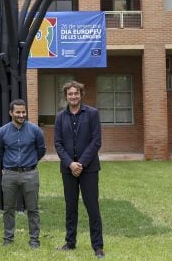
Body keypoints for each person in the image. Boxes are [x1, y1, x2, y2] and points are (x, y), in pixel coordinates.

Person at [54, 81, 104, 259]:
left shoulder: (92, 114)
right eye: (70, 94)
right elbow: (58, 143)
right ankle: (70, 242)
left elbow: (96, 141)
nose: (73, 96)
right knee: (70, 207)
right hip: (68, 170)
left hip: (89, 169)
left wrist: (80, 163)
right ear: (66, 96)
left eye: (76, 93)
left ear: (81, 94)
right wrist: (70, 164)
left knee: (92, 207)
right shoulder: (60, 116)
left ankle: (97, 246)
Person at [0, 98, 46, 249]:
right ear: (11, 113)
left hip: (30, 174)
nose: (21, 115)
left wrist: (30, 162)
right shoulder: (2, 131)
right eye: (18, 112)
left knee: (33, 208)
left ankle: (34, 240)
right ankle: (8, 239)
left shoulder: (35, 130)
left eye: (23, 112)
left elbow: (41, 150)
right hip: (9, 174)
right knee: (8, 208)